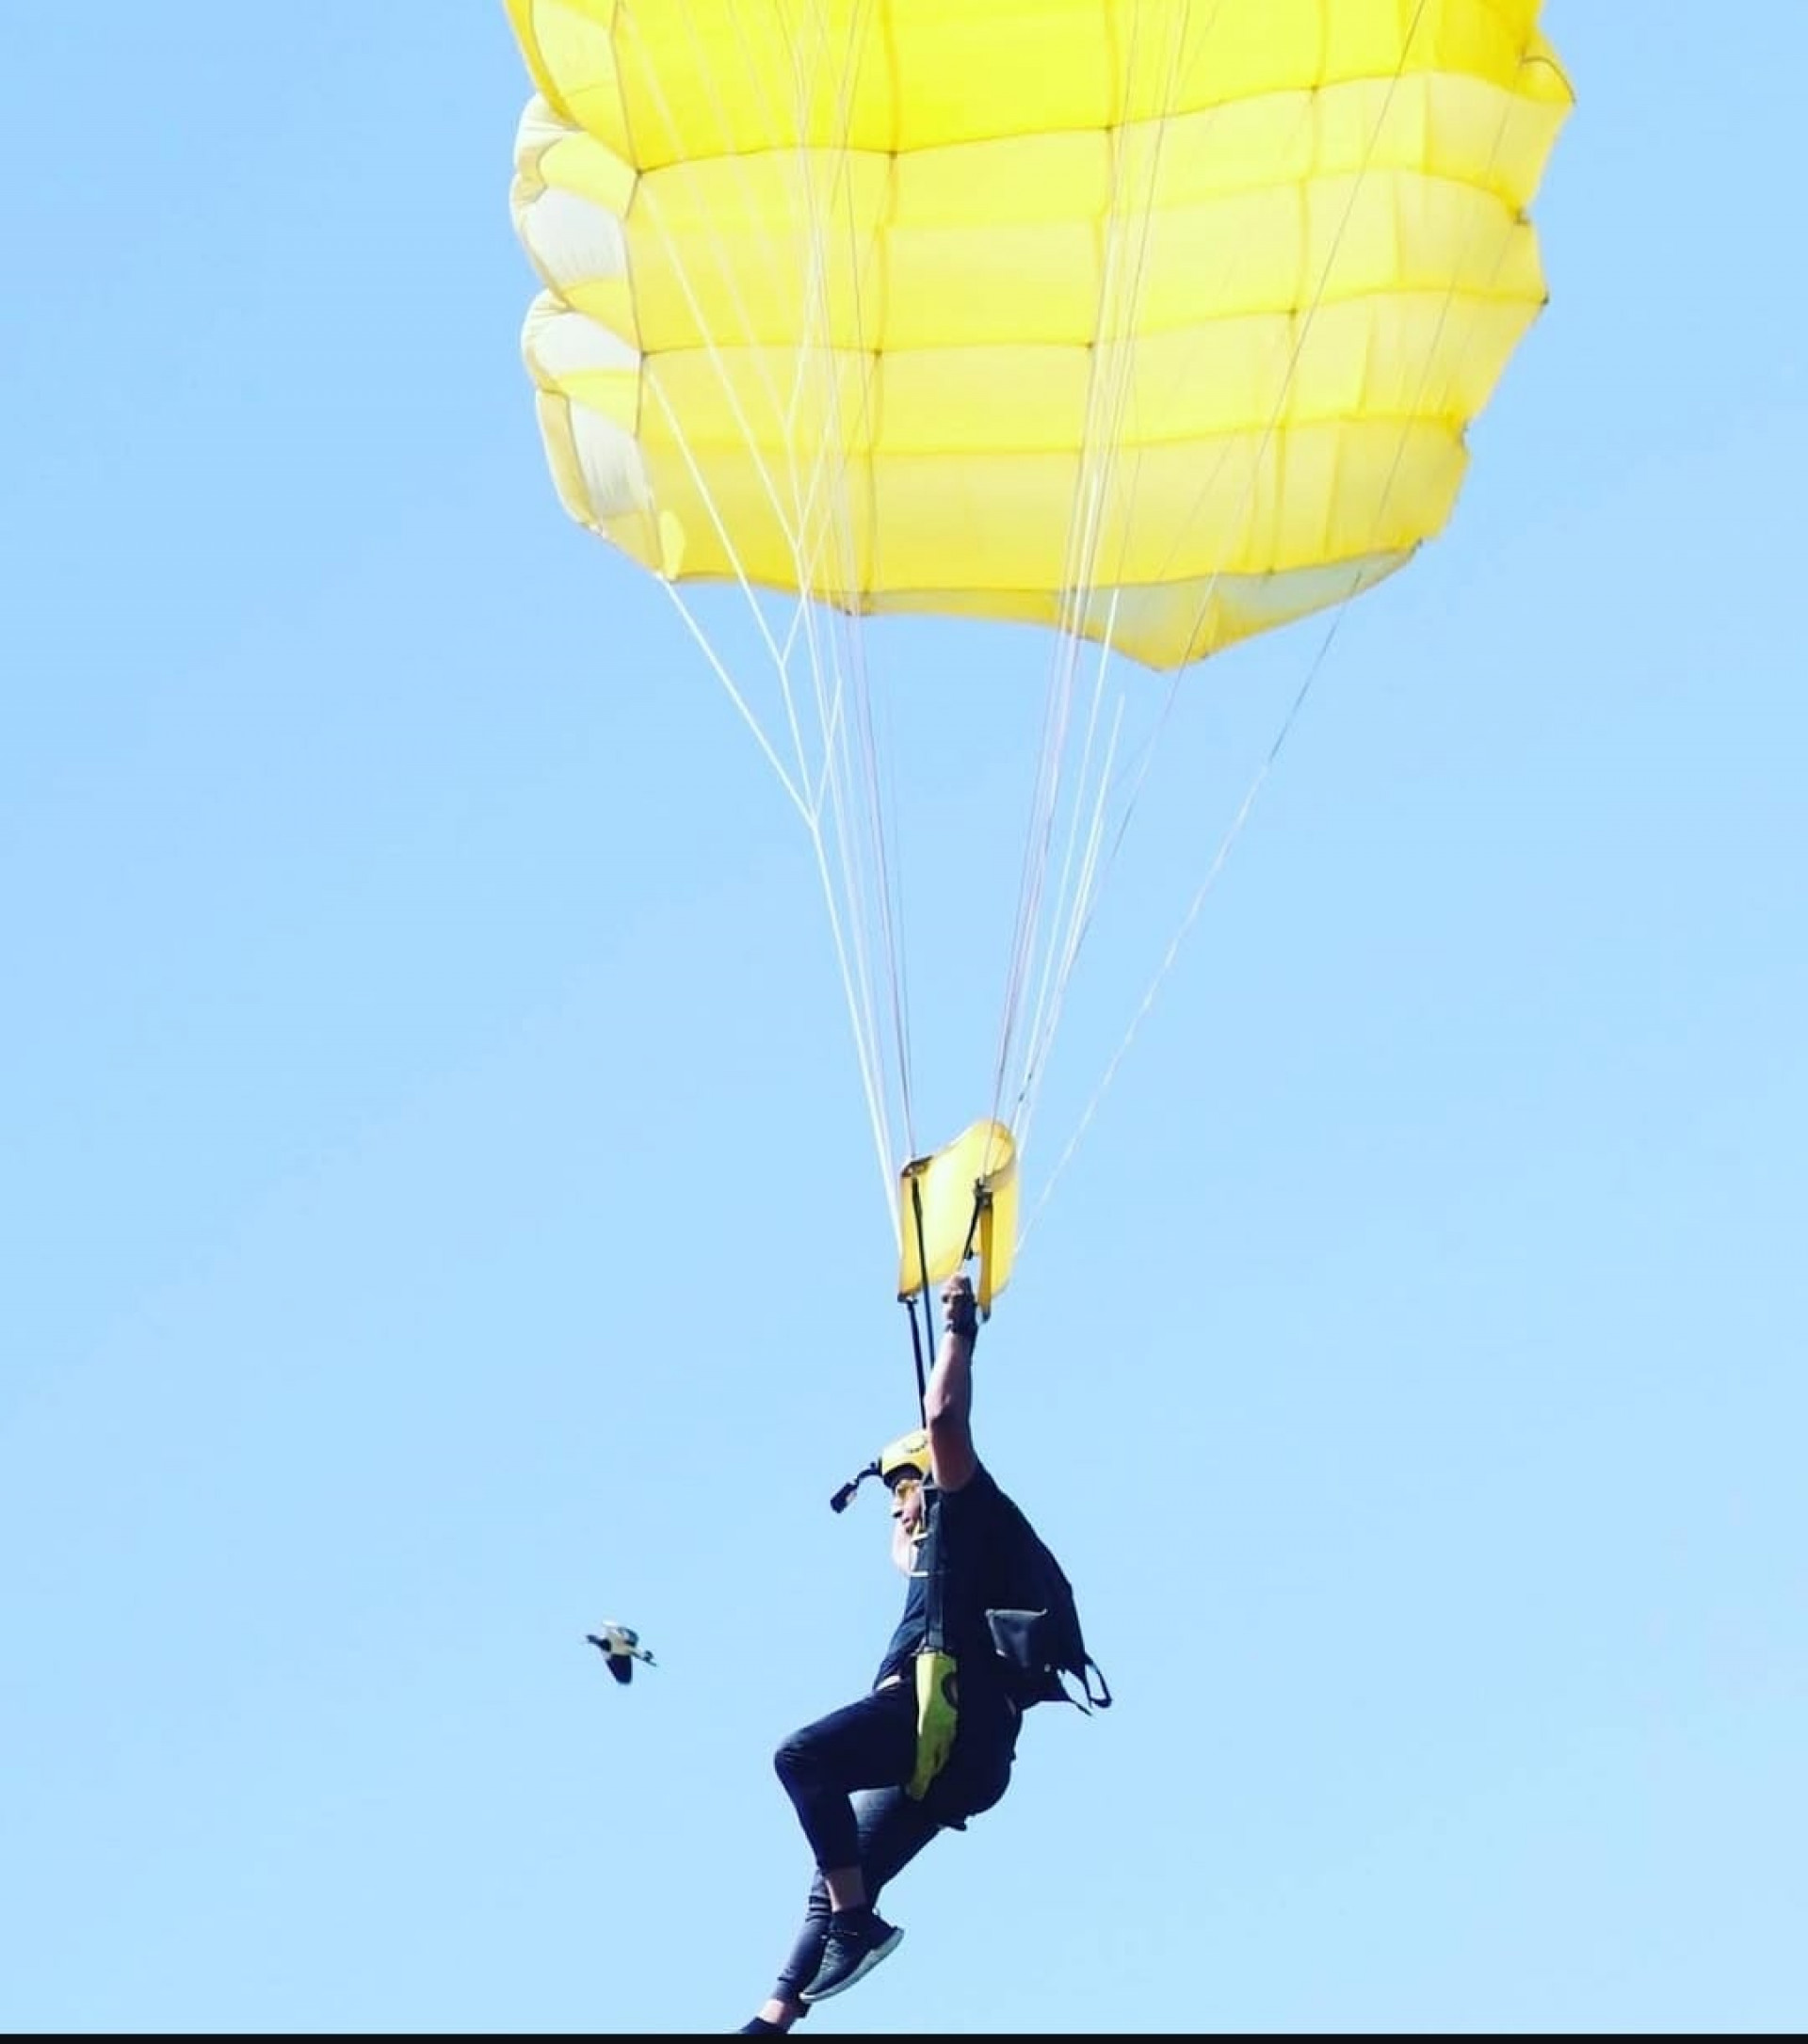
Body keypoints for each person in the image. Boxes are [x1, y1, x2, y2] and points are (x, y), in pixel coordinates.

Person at [735, 1270, 1040, 2033]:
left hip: (942, 1715)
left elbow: (944, 1416)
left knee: (802, 1758)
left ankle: (855, 1926)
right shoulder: (939, 1565)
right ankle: (773, 2018)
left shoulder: (964, 1509)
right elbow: (908, 1544)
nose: (898, 1510)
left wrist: (959, 1328)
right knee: (839, 1874)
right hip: (960, 1752)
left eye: (903, 1491)